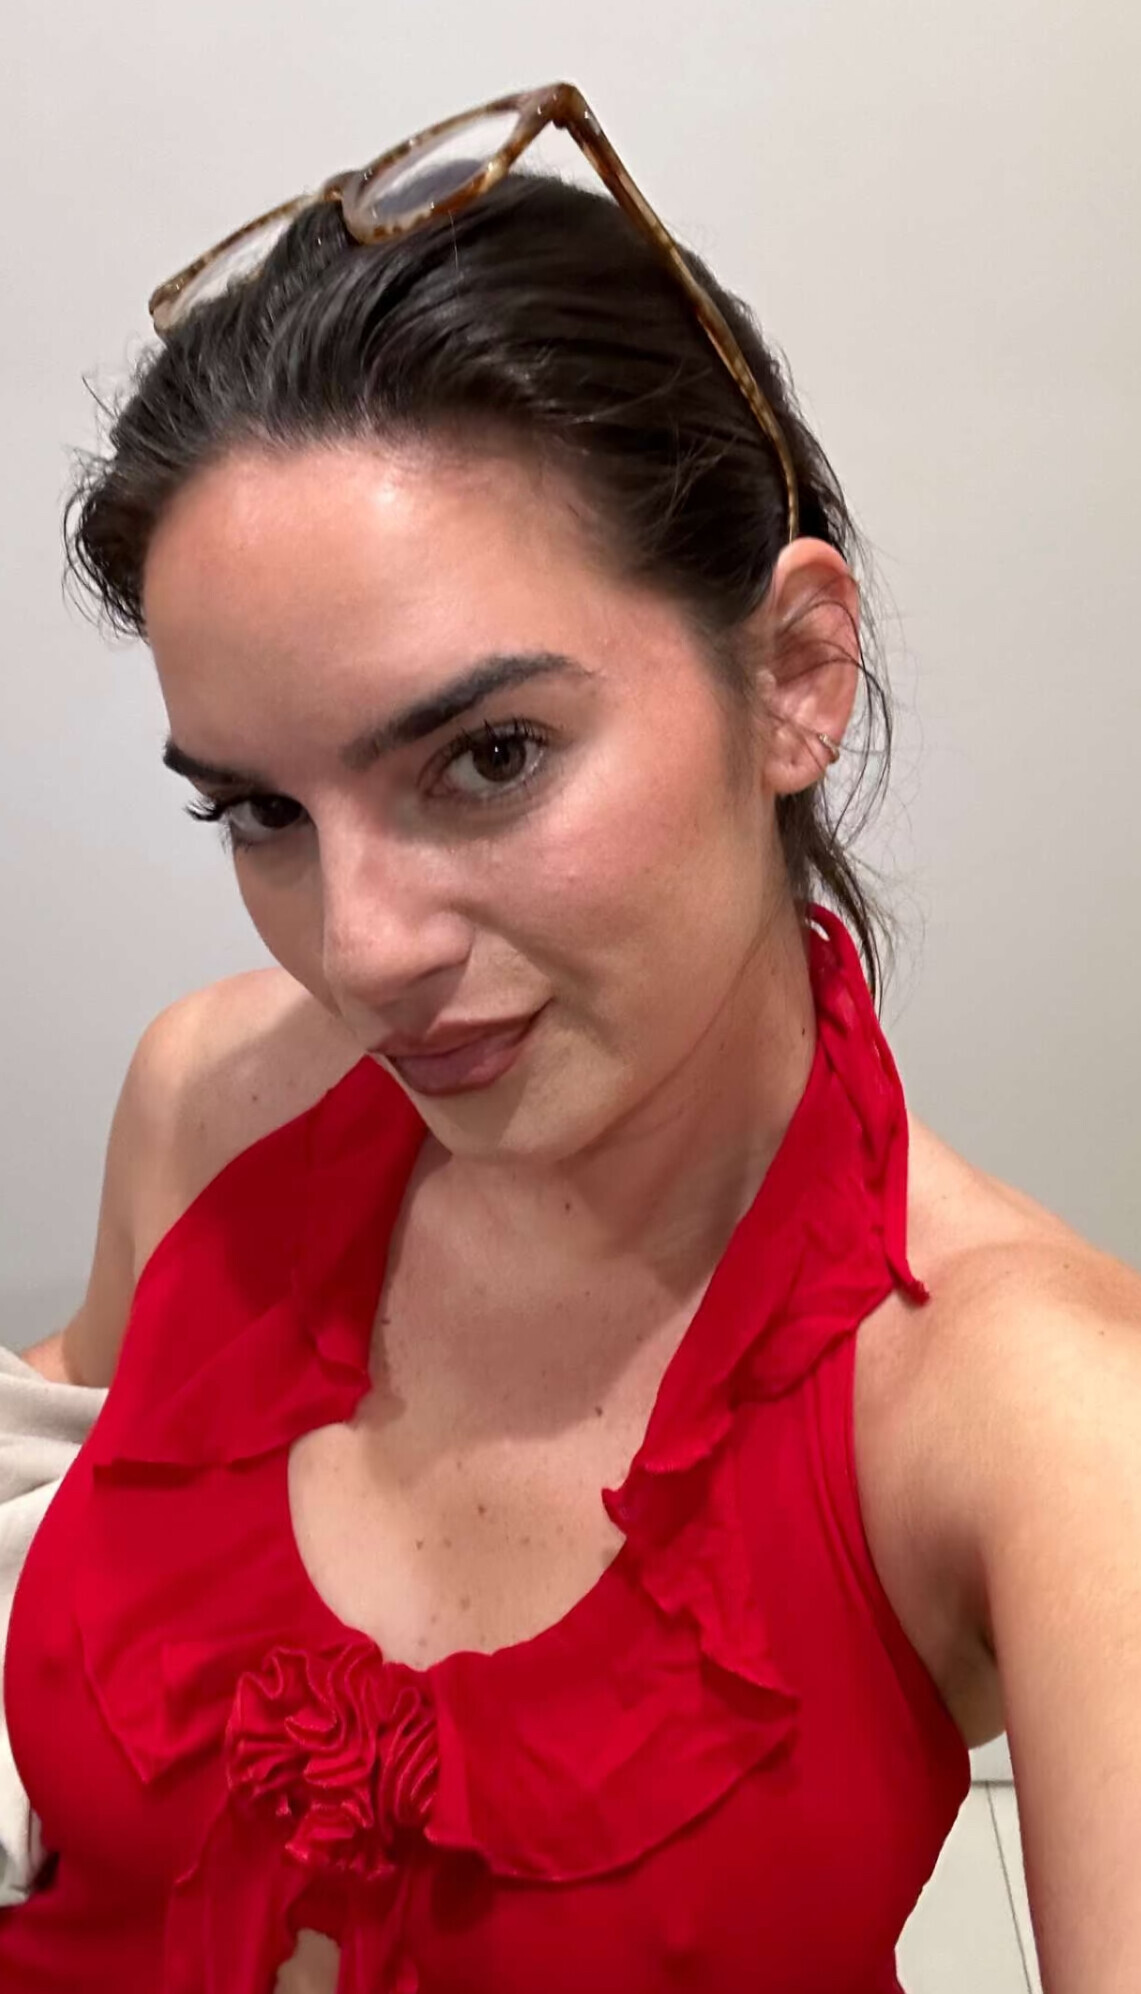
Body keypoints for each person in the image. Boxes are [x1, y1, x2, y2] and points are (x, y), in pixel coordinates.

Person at [4, 80, 1140, 1994]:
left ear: (792, 675)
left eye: (489, 756)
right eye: (260, 810)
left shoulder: (1029, 1417)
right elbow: (64, 1458)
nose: (359, 951)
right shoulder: (211, 1100)